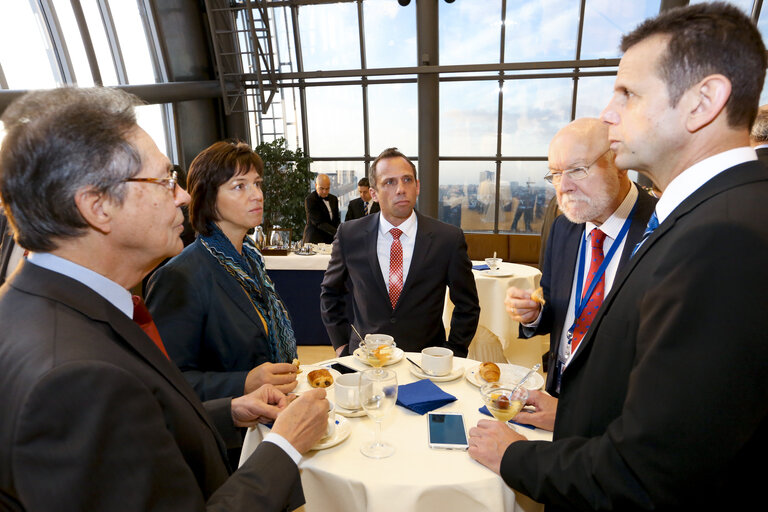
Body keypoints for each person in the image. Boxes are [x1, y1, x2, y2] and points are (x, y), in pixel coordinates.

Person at [469, 4, 768, 510]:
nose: (609, 115)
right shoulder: (715, 212)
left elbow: (648, 471)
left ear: (704, 101)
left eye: (627, 94)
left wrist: (515, 458)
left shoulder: (725, 239)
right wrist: (568, 416)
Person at [0, 86, 330, 510]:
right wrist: (285, 445)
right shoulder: (72, 378)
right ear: (97, 206)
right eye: (163, 181)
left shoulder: (50, 310)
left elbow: (138, 430)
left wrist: (228, 409)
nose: (184, 196)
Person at [505, 118, 657, 431]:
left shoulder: (662, 228)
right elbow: (559, 311)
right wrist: (535, 314)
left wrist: (575, 418)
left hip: (621, 421)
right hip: (556, 392)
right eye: (556, 174)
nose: (563, 186)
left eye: (577, 169)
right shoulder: (564, 227)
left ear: (618, 163)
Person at [145, 141, 300, 402]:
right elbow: (165, 383)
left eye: (257, 183)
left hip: (273, 414)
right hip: (226, 434)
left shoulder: (249, 261)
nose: (257, 195)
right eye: (239, 186)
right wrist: (243, 382)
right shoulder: (180, 276)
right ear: (208, 197)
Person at [320, 147, 480, 358]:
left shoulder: (448, 239)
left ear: (418, 186)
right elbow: (330, 294)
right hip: (365, 362)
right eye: (390, 182)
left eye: (407, 180)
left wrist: (454, 351)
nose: (401, 189)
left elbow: (467, 306)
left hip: (426, 363)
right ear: (374, 193)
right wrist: (342, 346)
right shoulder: (350, 235)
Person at [303, 173, 340, 243]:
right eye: (321, 188)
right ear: (316, 185)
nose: (324, 191)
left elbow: (336, 219)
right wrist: (337, 232)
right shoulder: (310, 199)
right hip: (314, 239)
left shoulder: (334, 199)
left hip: (330, 239)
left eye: (327, 188)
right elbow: (319, 223)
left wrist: (339, 231)